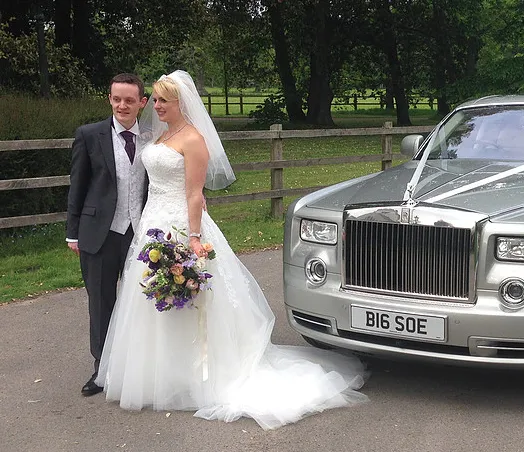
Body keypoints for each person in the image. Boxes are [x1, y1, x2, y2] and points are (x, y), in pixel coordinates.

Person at [95, 70, 368, 429]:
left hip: (180, 226)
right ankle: (160, 373)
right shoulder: (161, 134)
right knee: (149, 299)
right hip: (152, 222)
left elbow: (193, 193)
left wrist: (193, 238)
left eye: (163, 100)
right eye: (156, 99)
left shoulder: (193, 140)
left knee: (190, 299)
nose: (156, 105)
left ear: (182, 103)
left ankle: (197, 375)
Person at [66, 73, 149, 397]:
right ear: (109, 99)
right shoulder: (89, 135)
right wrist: (72, 233)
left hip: (139, 235)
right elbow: (78, 185)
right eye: (117, 99)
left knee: (140, 302)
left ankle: (137, 366)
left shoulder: (152, 139)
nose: (122, 105)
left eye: (129, 100)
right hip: (98, 233)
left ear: (142, 102)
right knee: (101, 303)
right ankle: (101, 370)